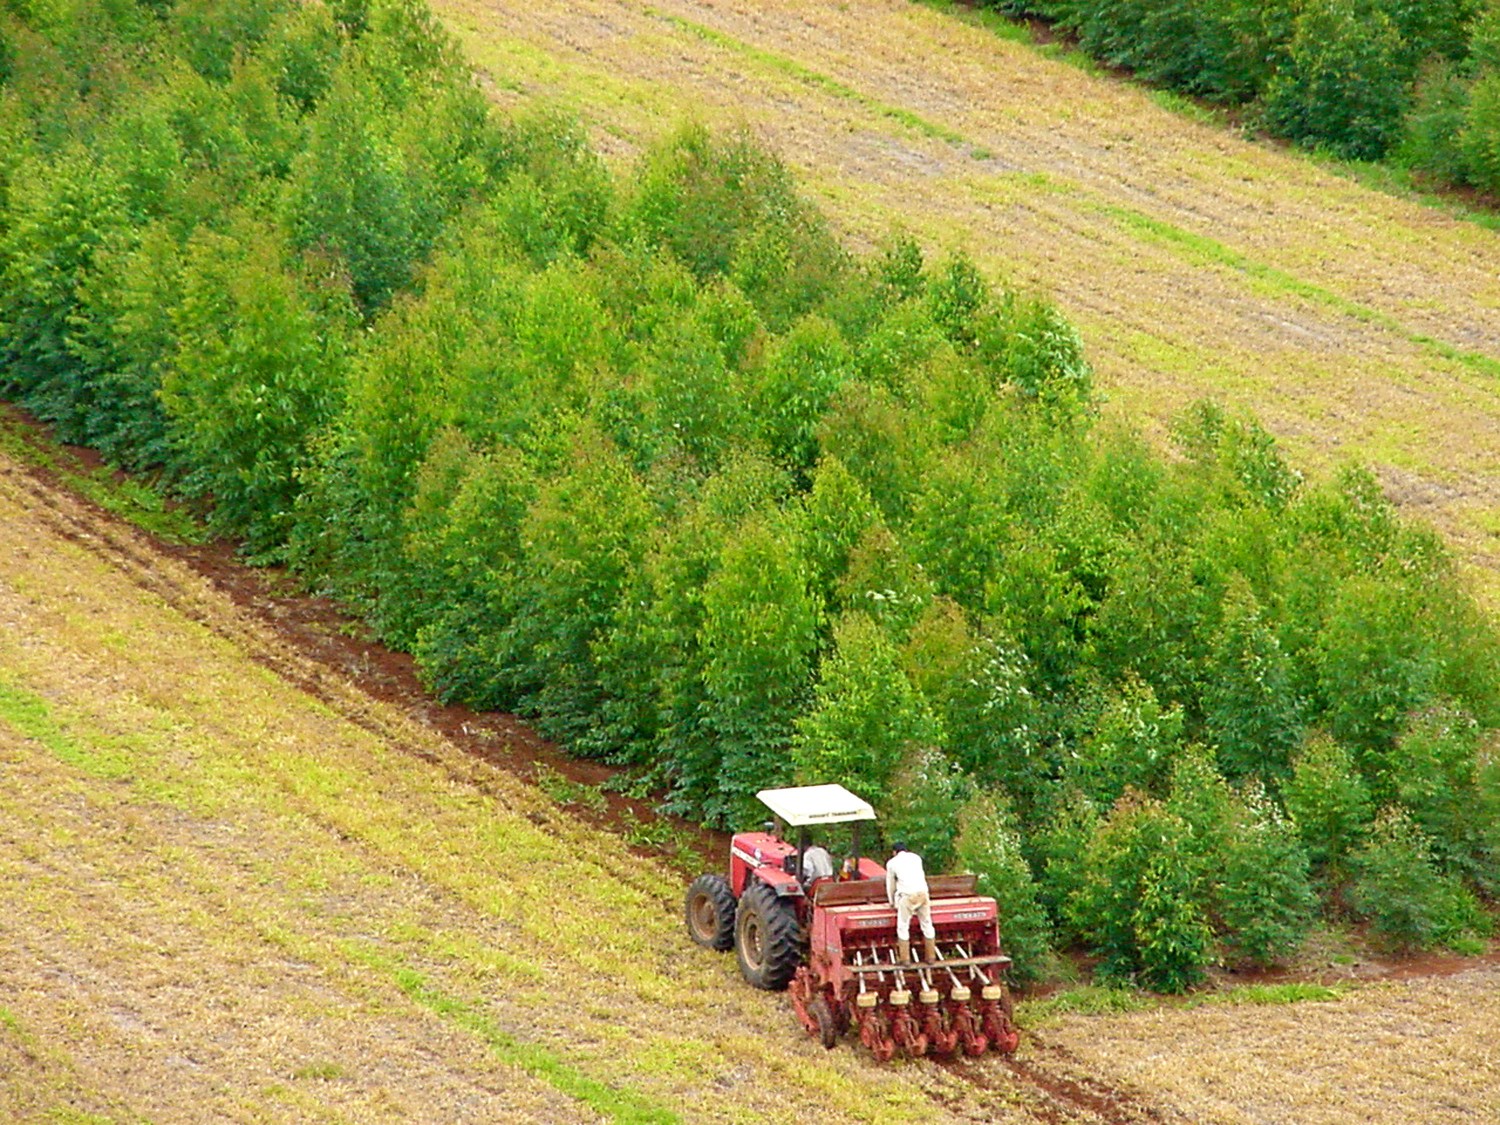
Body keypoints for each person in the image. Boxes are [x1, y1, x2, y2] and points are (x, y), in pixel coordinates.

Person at [885, 840, 936, 964]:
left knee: (903, 926)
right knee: (927, 924)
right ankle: (931, 957)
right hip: (923, 893)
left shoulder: (892, 863)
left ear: (894, 852)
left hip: (907, 896)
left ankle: (905, 959)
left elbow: (890, 884)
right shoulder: (916, 858)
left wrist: (891, 901)